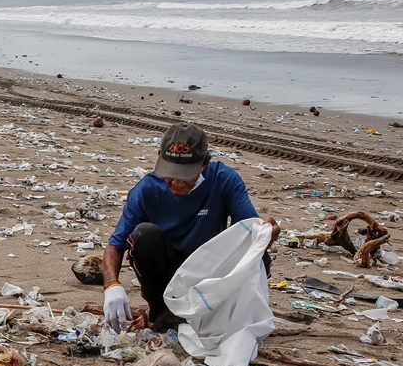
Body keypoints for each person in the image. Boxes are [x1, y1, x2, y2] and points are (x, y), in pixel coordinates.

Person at [101, 122, 279, 332]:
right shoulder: (147, 190)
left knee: (261, 257)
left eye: (186, 176)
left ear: (204, 164)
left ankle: (216, 311)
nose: (177, 183)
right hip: (167, 273)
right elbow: (115, 245)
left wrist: (266, 234)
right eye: (171, 174)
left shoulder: (224, 180)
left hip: (208, 269)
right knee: (144, 234)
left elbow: (248, 231)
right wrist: (112, 286)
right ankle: (161, 313)